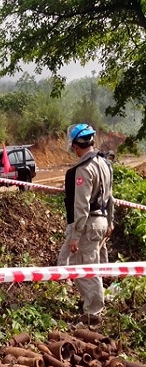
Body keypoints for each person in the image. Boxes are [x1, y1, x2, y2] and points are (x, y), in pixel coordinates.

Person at [58, 123, 114, 325]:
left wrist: (75, 235)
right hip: (101, 221)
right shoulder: (105, 163)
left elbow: (81, 206)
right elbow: (110, 197)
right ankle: (89, 302)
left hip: (88, 224)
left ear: (75, 145)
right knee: (89, 265)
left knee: (85, 269)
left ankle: (93, 313)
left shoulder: (84, 169)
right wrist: (111, 220)